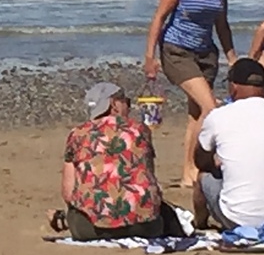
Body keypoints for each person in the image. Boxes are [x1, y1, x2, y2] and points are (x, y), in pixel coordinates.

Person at [144, 0, 238, 188]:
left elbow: (221, 23)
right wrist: (150, 57)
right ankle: (197, 166)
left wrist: (232, 58)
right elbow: (159, 18)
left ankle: (189, 171)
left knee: (197, 115)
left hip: (206, 53)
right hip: (177, 51)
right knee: (210, 107)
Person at [56, 82, 178, 240]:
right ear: (113, 104)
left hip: (92, 229)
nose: (129, 108)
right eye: (127, 102)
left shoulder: (77, 134)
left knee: (77, 210)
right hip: (144, 227)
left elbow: (68, 193)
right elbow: (148, 177)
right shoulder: (140, 130)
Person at [192, 58, 264, 231]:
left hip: (240, 220)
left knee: (203, 177)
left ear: (233, 87)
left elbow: (200, 160)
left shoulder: (219, 116)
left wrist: (217, 163)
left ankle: (200, 224)